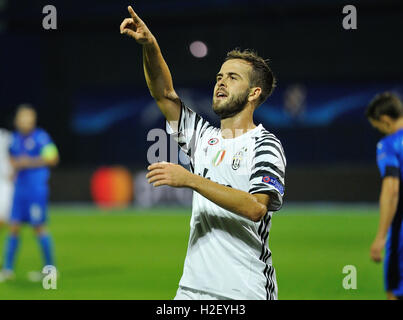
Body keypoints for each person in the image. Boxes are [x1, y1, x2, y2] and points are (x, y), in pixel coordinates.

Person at [120, 6, 286, 300]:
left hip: (243, 291)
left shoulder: (265, 145)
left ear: (253, 93)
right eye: (220, 76)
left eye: (233, 77)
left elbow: (256, 208)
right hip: (191, 290)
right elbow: (163, 94)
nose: (221, 82)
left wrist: (191, 180)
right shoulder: (203, 137)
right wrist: (150, 46)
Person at [0, 105, 59, 282]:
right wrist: (14, 170)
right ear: (17, 120)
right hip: (20, 190)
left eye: (29, 119)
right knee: (14, 228)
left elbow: (53, 158)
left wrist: (29, 162)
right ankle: (7, 270)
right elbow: (12, 157)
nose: (25, 122)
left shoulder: (41, 138)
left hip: (35, 190)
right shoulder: (16, 139)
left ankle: (50, 270)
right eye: (23, 119)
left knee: (39, 228)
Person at [366, 92, 403, 300]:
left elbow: (392, 190)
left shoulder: (389, 145)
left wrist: (380, 237)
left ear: (385, 121)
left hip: (401, 235)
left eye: (377, 126)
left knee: (395, 292)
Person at [0, 128, 14, 231]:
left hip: (4, 182)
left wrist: (13, 170)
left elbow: (15, 153)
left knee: (6, 220)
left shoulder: (5, 136)